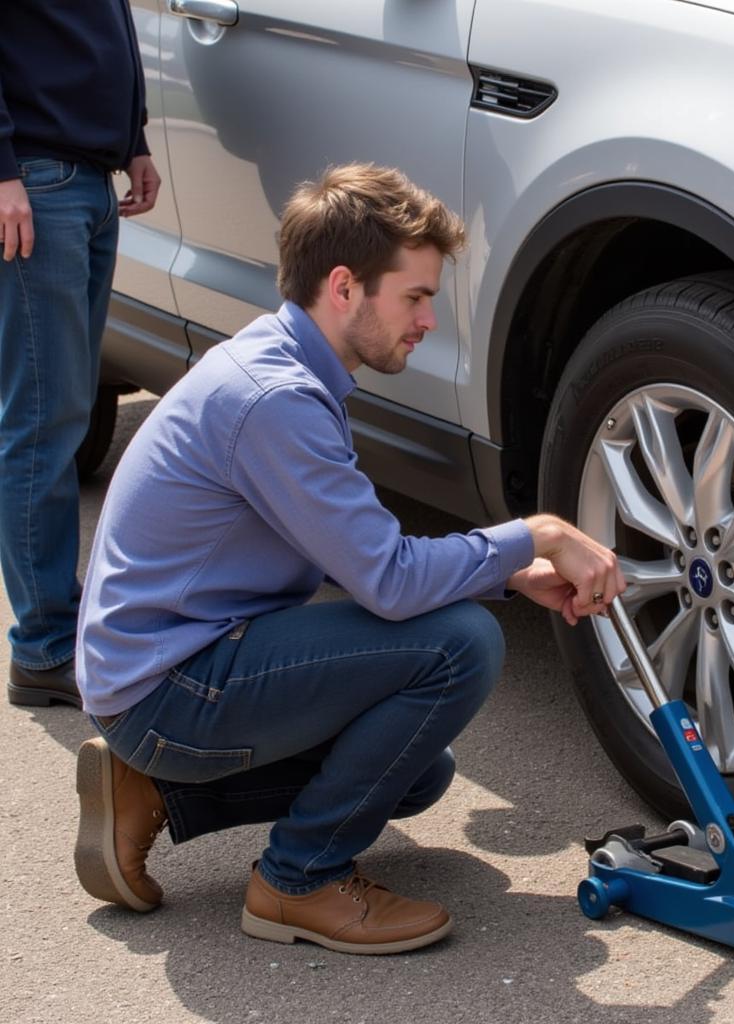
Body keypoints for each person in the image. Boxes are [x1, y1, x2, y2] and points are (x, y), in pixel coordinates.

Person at [73, 164, 625, 955]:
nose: (428, 320)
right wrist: (536, 534)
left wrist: (508, 573)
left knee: (417, 770)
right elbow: (389, 580)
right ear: (343, 286)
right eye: (415, 296)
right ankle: (297, 881)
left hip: (164, 667)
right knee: (460, 645)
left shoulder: (283, 368)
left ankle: (157, 790)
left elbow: (356, 551)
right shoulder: (277, 399)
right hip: (168, 686)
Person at [0, 1, 161, 708]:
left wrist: (134, 138)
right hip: (34, 181)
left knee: (57, 419)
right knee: (42, 425)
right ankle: (41, 648)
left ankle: (58, 626)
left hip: (86, 181)